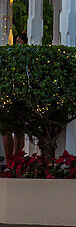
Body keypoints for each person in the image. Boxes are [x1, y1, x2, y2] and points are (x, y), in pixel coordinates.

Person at [2, 32, 28, 164]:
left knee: (18, 131)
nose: (17, 45)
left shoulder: (26, 58)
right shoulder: (9, 57)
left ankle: (15, 161)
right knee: (6, 130)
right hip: (8, 99)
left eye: (19, 42)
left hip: (20, 99)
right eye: (16, 42)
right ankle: (9, 162)